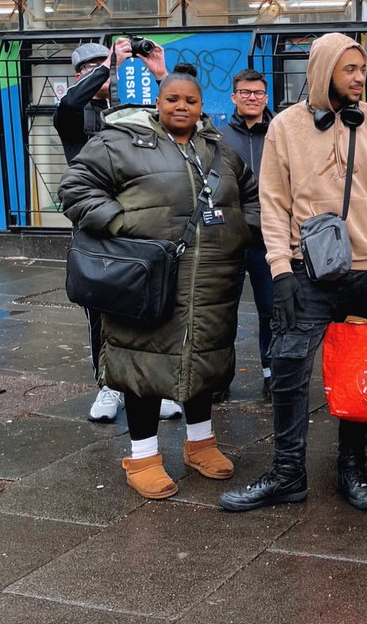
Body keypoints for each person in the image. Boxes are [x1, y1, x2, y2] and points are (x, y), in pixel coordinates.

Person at [219, 33, 367, 513]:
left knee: (360, 376)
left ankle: (352, 465)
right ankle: (288, 474)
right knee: (287, 369)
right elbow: (273, 202)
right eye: (349, 69)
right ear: (324, 69)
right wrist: (280, 269)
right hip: (306, 272)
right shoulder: (285, 126)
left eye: (362, 69)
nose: (359, 78)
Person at [58, 64, 259, 499]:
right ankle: (144, 456)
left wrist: (243, 229)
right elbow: (75, 187)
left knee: (203, 363)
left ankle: (201, 444)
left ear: (203, 106)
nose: (182, 107)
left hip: (211, 283)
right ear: (158, 102)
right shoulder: (121, 143)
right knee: (143, 369)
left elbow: (251, 193)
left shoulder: (221, 151)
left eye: (191, 100)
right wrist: (117, 224)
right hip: (146, 283)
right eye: (173, 99)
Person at [54, 37, 180, 424]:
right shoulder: (75, 116)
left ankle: (154, 387)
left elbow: (182, 112)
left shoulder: (139, 108)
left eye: (102, 65)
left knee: (155, 307)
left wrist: (160, 75)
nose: (99, 72)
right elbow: (70, 103)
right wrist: (106, 66)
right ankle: (109, 386)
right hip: (99, 231)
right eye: (89, 69)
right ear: (80, 76)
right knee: (102, 312)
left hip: (144, 224)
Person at [220, 68, 275, 402]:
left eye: (257, 93)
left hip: (269, 239)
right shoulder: (220, 136)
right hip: (230, 238)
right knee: (223, 311)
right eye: (245, 92)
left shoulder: (280, 133)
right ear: (234, 97)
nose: (252, 97)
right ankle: (220, 375)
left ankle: (272, 374)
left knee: (272, 311)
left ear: (266, 97)